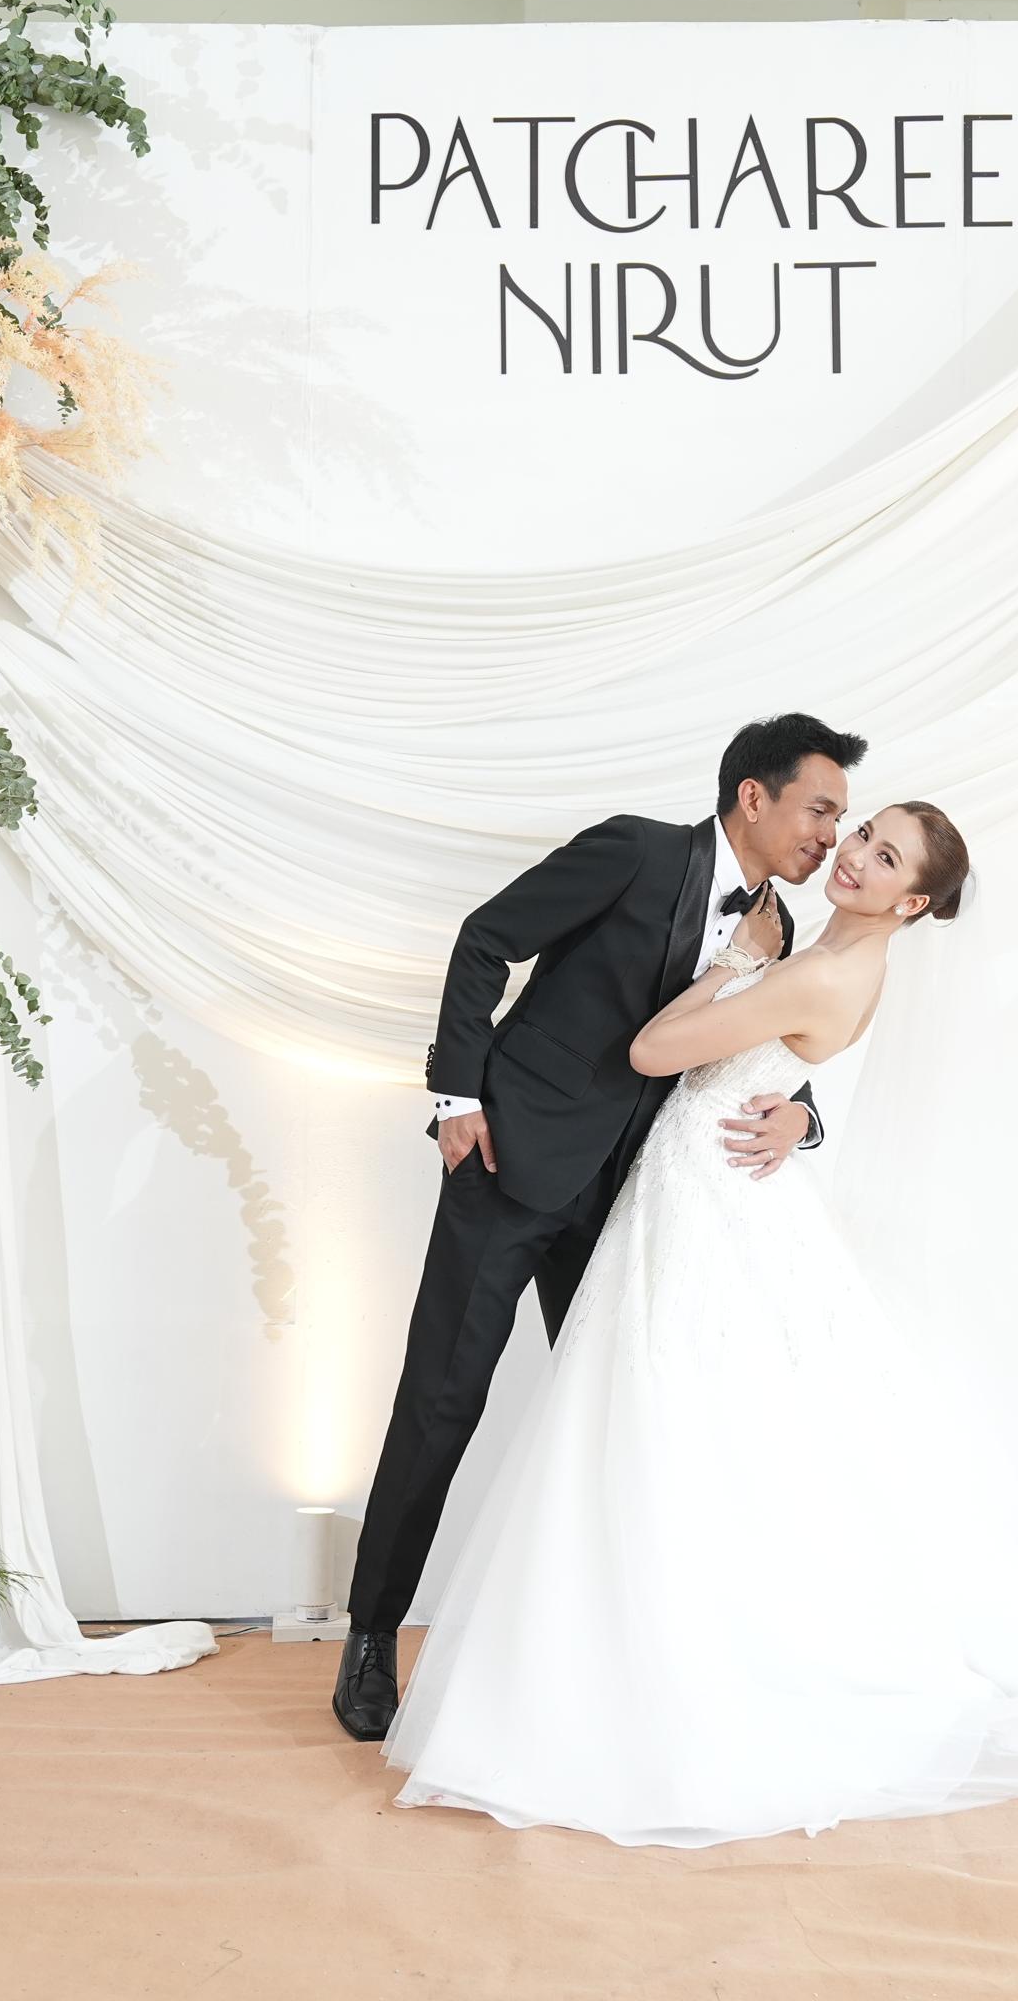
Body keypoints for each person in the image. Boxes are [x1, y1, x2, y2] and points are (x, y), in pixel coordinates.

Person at [380, 801, 1018, 1846]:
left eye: (884, 856)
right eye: (861, 832)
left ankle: (679, 1657)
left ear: (912, 903)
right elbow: (785, 1060)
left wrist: (735, 963)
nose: (851, 853)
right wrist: (800, 1105)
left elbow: (656, 1048)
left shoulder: (812, 966)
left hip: (701, 1199)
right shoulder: (830, 957)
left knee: (678, 1422)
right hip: (702, 1192)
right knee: (725, 1424)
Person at [330, 715, 867, 1743]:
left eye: (840, 819)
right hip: (510, 1167)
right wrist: (457, 1098)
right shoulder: (635, 850)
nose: (828, 837)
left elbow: (755, 1051)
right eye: (819, 809)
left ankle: (611, 1658)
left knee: (630, 1418)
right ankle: (369, 1635)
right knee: (441, 1401)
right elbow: (486, 938)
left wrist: (802, 1119)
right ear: (754, 796)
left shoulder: (780, 930)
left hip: (636, 1204)